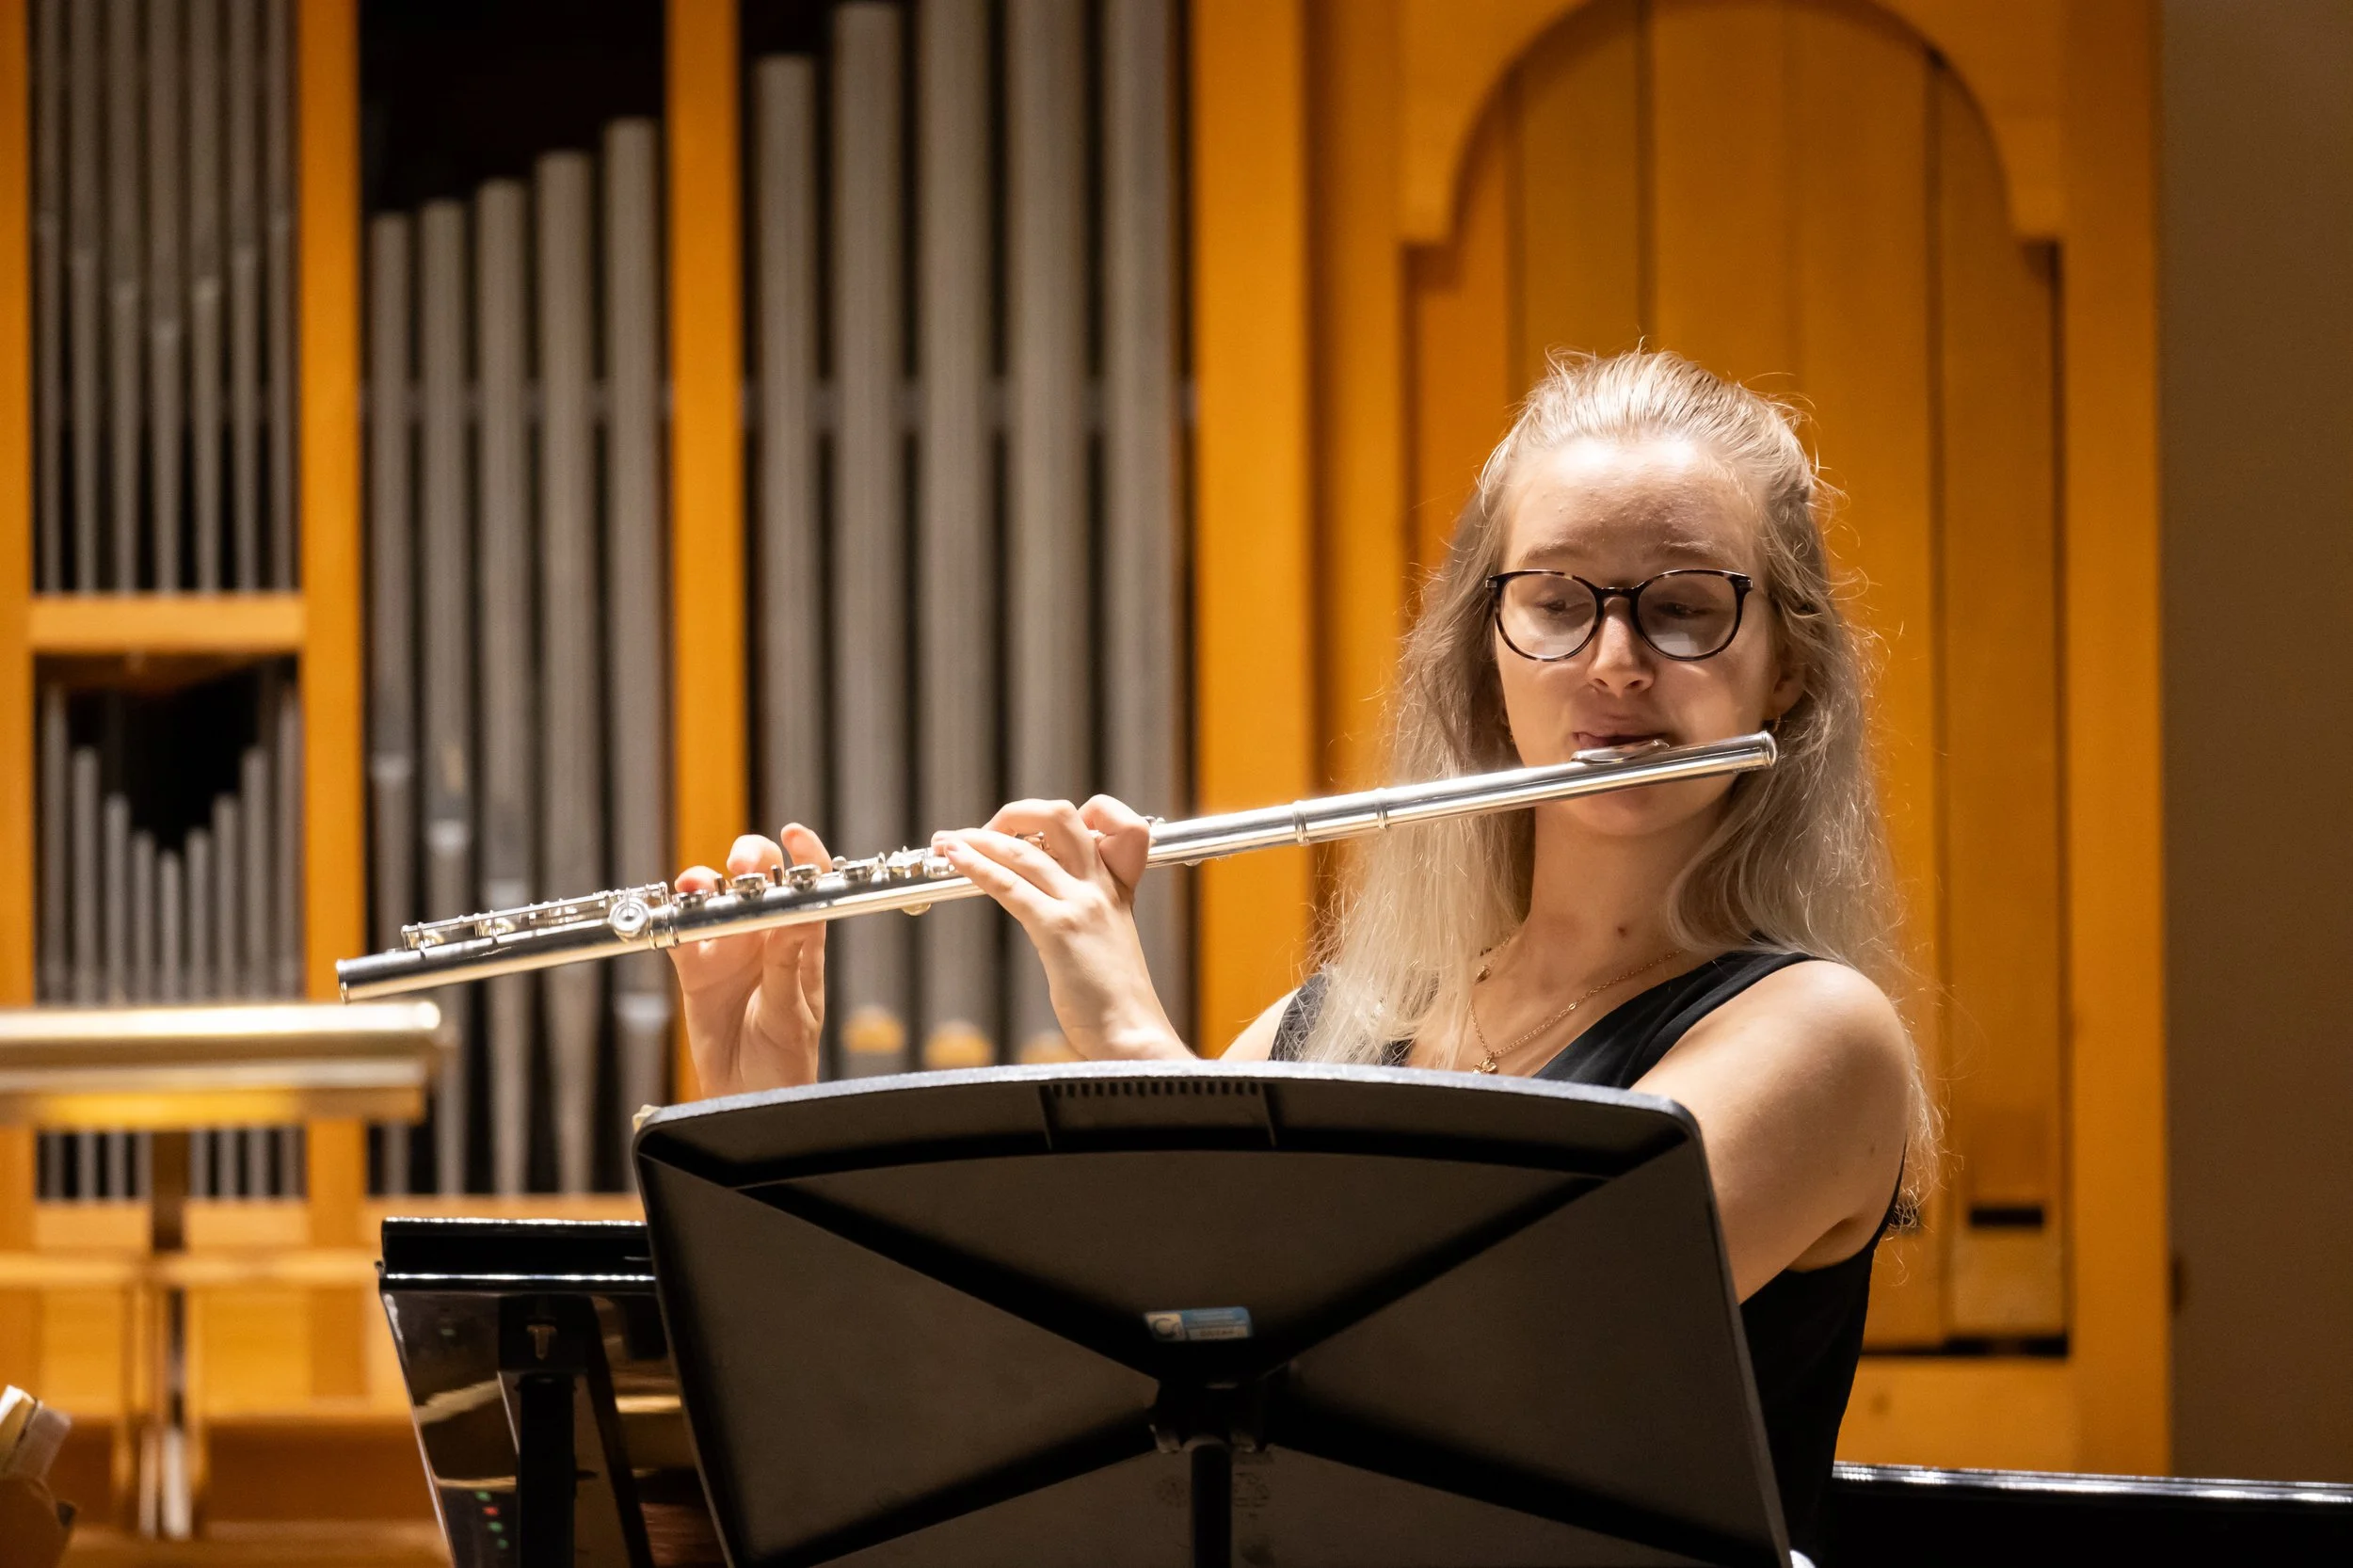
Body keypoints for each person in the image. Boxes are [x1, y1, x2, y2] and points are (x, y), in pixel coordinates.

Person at [669, 349, 1932, 1556]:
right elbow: (1028, 1408)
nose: (1614, 663)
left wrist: (1128, 1039)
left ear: (1786, 670)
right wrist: (765, 1124)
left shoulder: (1817, 1038)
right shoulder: (1320, 1033)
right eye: (1555, 603)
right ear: (1488, 651)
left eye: (1683, 609)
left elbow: (1439, 1379)